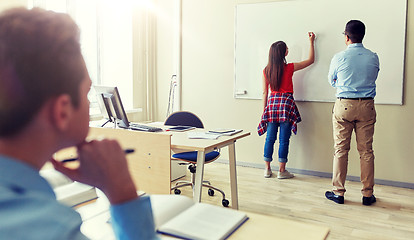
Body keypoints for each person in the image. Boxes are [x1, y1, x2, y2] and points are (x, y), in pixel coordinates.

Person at [0, 7, 158, 239]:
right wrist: (123, 193)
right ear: (62, 111)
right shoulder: (53, 230)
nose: (88, 100)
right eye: (86, 93)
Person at [325, 20, 379, 206]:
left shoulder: (339, 57)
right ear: (362, 36)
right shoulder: (373, 57)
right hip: (366, 106)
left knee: (341, 149)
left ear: (347, 37)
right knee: (366, 152)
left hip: (344, 105)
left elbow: (332, 81)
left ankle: (338, 193)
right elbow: (373, 77)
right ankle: (367, 194)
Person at [258, 32, 315, 179]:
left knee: (270, 138)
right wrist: (311, 42)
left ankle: (267, 169)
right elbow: (310, 60)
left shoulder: (266, 70)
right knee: (284, 139)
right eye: (286, 48)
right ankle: (282, 171)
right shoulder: (289, 67)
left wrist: (264, 111)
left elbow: (265, 93)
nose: (288, 49)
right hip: (286, 105)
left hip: (272, 105)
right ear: (283, 53)